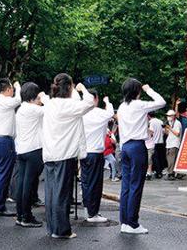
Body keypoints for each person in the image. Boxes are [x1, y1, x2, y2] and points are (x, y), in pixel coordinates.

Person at [42, 74, 94, 239]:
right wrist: (82, 88)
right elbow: (90, 102)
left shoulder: (50, 104)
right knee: (62, 193)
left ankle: (52, 228)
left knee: (51, 192)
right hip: (64, 154)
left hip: (50, 153)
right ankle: (62, 230)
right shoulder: (70, 105)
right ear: (70, 87)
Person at [116, 78, 165, 235]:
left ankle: (124, 222)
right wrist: (148, 89)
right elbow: (161, 102)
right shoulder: (139, 105)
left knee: (126, 186)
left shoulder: (122, 107)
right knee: (136, 184)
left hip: (125, 147)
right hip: (137, 147)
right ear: (137, 91)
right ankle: (133, 223)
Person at [14, 82, 47, 228]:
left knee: (22, 184)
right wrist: (44, 97)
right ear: (34, 95)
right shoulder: (35, 109)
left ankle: (20, 215)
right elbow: (53, 109)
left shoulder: (21, 109)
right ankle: (26, 216)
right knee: (29, 184)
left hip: (22, 149)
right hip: (34, 150)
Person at [81, 90, 114, 223]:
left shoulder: (81, 112)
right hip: (95, 152)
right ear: (95, 99)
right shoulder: (99, 113)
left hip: (83, 152)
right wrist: (107, 102)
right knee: (95, 183)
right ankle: (92, 213)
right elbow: (111, 113)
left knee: (85, 182)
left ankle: (87, 208)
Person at [0, 78, 21, 216]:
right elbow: (18, 100)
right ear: (8, 90)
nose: (13, 92)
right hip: (4, 141)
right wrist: (18, 87)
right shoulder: (6, 101)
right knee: (3, 174)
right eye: (12, 90)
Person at [145, 113, 164, 180]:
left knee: (154, 159)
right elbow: (163, 131)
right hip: (161, 141)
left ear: (148, 116)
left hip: (153, 142)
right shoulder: (160, 121)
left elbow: (151, 132)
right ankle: (159, 172)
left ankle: (154, 172)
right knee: (160, 158)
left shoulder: (151, 122)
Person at [164, 109, 181, 180]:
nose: (168, 117)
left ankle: (171, 173)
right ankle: (172, 173)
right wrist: (166, 129)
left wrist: (170, 128)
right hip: (169, 143)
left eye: (169, 116)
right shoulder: (170, 123)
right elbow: (168, 134)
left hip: (174, 143)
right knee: (169, 159)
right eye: (167, 116)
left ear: (173, 116)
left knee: (172, 159)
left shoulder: (177, 123)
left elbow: (177, 134)